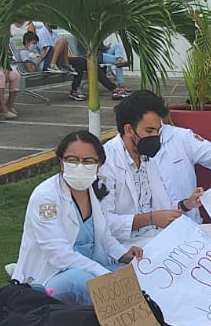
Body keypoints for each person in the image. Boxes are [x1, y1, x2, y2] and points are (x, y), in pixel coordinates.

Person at [99, 90, 211, 248]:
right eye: (149, 131)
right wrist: (149, 219)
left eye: (158, 130)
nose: (156, 137)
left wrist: (187, 204)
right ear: (129, 130)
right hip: (129, 245)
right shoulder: (107, 162)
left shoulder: (150, 154)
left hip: (163, 234)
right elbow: (103, 223)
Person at [11, 131, 143, 306]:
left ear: (99, 165)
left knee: (136, 273)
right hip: (53, 277)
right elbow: (59, 254)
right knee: (81, 282)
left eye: (88, 161)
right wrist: (102, 274)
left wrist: (124, 255)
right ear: (61, 161)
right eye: (72, 160)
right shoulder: (45, 197)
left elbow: (104, 236)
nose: (80, 166)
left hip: (91, 268)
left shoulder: (96, 190)